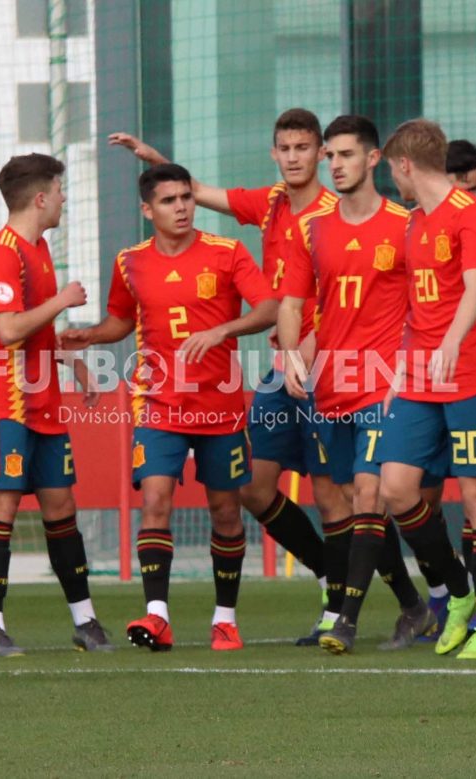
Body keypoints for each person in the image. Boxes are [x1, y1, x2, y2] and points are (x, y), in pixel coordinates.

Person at [109, 109, 350, 645]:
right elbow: (199, 192)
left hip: (329, 363)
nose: (293, 157)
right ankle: (330, 574)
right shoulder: (269, 204)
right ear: (275, 152)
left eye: (304, 148)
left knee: (336, 492)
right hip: (279, 368)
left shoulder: (339, 213)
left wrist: (305, 344)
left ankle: (361, 604)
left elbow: (339, 292)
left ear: (321, 154)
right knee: (252, 489)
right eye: (285, 148)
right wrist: (156, 160)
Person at [60, 163, 277, 651]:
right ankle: (157, 615)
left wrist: (223, 330)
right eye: (168, 200)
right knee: (155, 499)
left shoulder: (227, 252)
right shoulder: (130, 262)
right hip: (158, 403)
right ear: (147, 209)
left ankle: (225, 618)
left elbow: (268, 308)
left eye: (186, 197)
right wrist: (90, 335)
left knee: (225, 511)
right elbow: (121, 321)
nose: (181, 207)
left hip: (219, 406)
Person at [278, 115, 438, 654]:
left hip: (386, 385)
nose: (337, 165)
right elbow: (293, 304)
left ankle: (343, 620)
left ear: (374, 160)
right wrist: (293, 362)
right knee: (348, 501)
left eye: (346, 155)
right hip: (333, 384)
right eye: (332, 157)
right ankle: (418, 604)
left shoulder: (406, 225)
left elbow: (426, 305)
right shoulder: (313, 229)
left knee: (371, 496)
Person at [374, 118, 476, 660]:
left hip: (471, 373)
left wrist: (453, 343)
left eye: (393, 169)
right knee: (396, 488)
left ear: (406, 165)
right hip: (419, 377)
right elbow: (417, 309)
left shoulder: (470, 212)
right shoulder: (414, 223)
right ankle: (459, 592)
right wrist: (401, 371)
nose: (395, 181)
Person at [0, 154, 111, 656]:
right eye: (60, 190)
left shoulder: (39, 248)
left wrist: (73, 363)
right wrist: (64, 299)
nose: (65, 198)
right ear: (41, 197)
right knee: (2, 507)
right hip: (1, 401)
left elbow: (35, 331)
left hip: (41, 399)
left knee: (61, 505)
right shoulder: (0, 252)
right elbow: (7, 329)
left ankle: (86, 621)